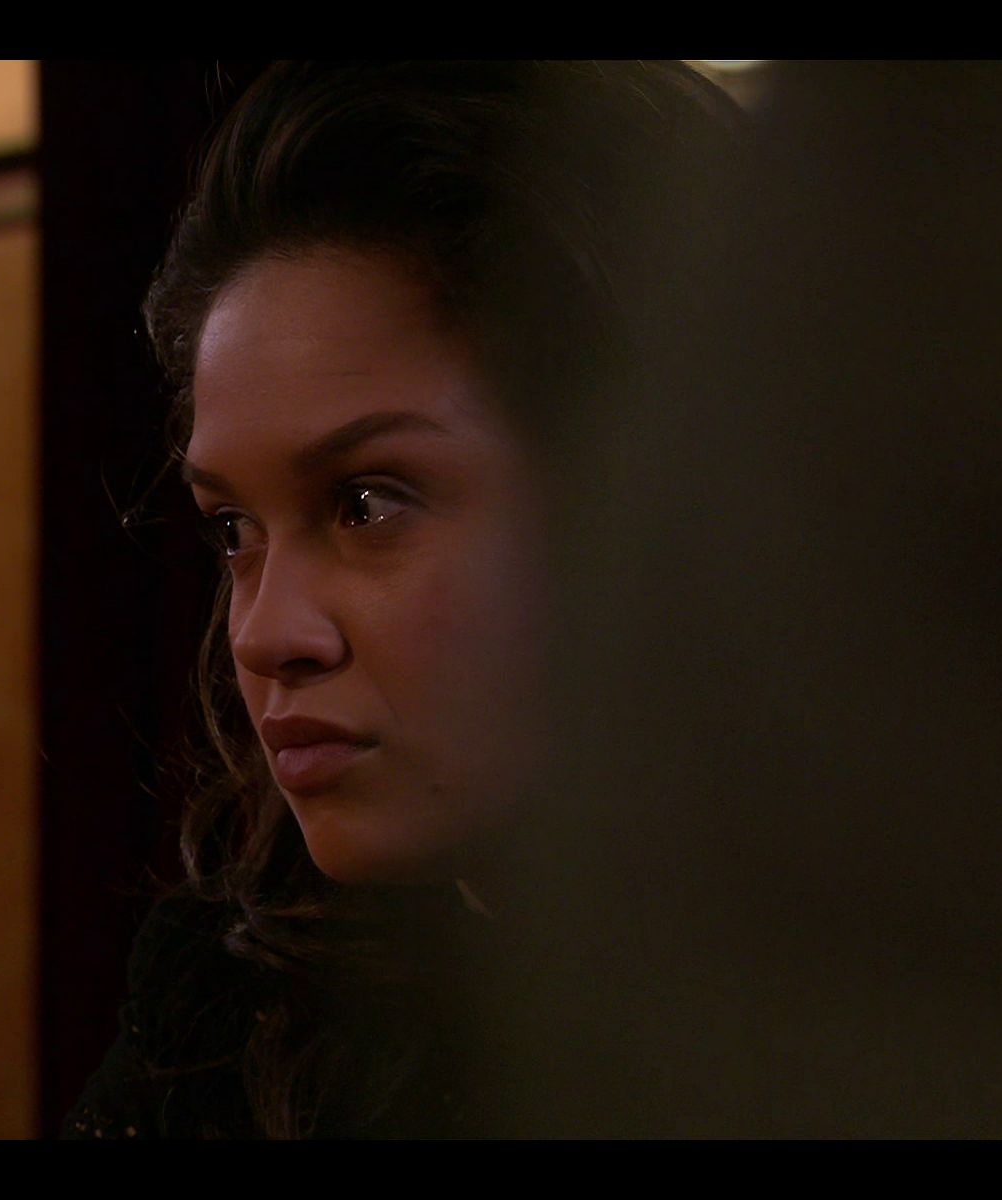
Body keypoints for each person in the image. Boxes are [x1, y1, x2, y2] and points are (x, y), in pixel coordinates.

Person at [61, 60, 743, 1139]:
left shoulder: (935, 1024)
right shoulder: (227, 1006)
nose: (264, 634)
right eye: (232, 530)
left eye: (367, 503)